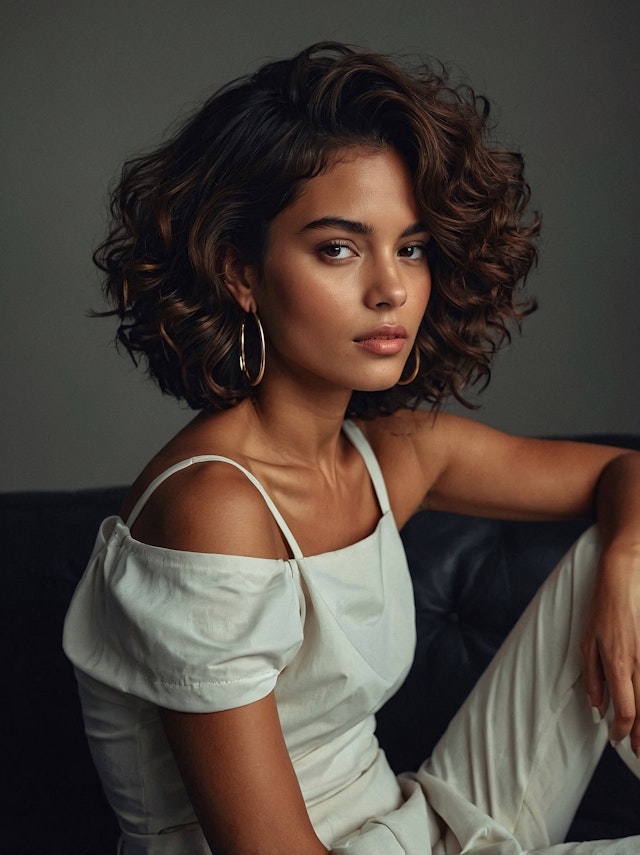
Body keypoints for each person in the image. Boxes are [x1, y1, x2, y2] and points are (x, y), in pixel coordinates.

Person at [63, 42, 640, 854]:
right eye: (338, 247)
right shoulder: (213, 507)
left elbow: (628, 472)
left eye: (409, 247)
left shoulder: (391, 453)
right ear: (240, 271)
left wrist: (624, 562)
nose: (392, 288)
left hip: (413, 824)